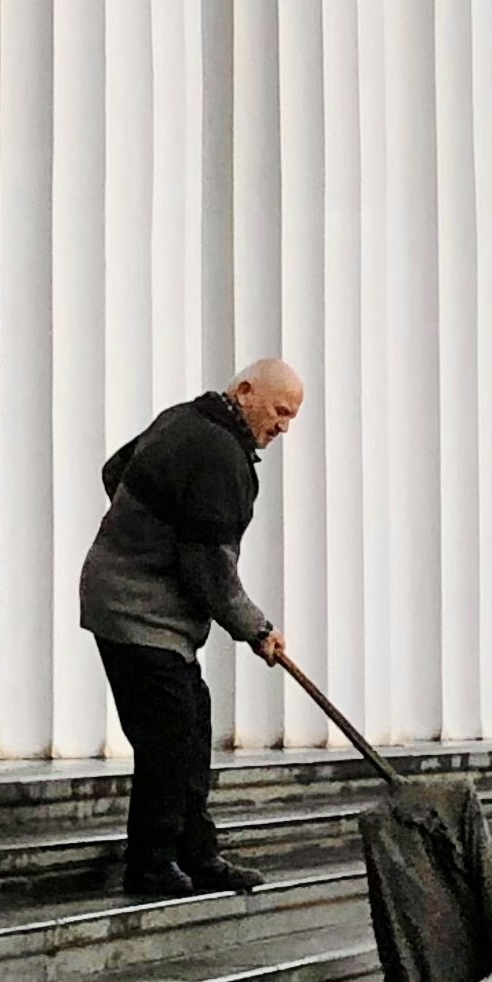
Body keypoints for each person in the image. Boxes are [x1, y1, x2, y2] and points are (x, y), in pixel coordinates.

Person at [80, 359, 301, 901]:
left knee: (191, 724)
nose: (283, 427)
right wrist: (258, 629)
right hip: (137, 613)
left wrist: (143, 532)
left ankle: (196, 855)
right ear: (245, 392)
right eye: (278, 411)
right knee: (168, 739)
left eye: (291, 417)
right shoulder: (217, 455)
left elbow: (116, 471)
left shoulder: (180, 420)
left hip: (141, 609)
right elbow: (211, 570)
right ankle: (151, 865)